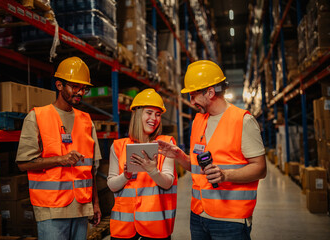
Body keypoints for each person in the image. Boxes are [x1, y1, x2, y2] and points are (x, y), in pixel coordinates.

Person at [157, 60, 266, 240]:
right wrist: (179, 155)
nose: (191, 101)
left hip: (231, 219)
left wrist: (226, 176)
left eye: (193, 95)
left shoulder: (243, 121)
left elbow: (261, 168)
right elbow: (196, 168)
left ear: (210, 92)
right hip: (198, 214)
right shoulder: (198, 121)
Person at [16, 56, 102, 240]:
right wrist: (59, 159)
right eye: (75, 86)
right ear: (59, 85)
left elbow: (91, 170)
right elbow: (23, 164)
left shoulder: (87, 121)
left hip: (81, 207)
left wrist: (95, 204)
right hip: (51, 210)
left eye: (84, 88)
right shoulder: (37, 117)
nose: (80, 92)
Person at [107, 88, 177, 240]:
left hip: (155, 226)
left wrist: (153, 171)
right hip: (124, 226)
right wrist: (125, 176)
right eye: (149, 112)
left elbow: (168, 183)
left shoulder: (166, 144)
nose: (154, 118)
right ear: (137, 114)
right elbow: (112, 185)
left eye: (158, 114)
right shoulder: (118, 146)